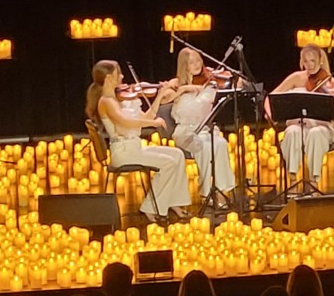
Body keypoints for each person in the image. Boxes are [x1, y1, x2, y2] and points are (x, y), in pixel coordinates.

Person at [88, 59, 190, 222]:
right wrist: (153, 123)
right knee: (169, 164)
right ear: (108, 78)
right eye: (117, 74)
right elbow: (125, 123)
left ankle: (173, 202)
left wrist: (160, 95)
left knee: (177, 154)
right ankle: (150, 207)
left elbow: (145, 116)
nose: (122, 77)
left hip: (134, 148)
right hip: (124, 152)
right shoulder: (106, 102)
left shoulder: (117, 98)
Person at [267, 44, 334, 192]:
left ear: (320, 60)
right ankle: (293, 180)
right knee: (292, 131)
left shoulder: (329, 82)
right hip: (299, 126)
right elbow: (271, 98)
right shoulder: (295, 78)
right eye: (306, 62)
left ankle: (313, 182)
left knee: (315, 133)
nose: (309, 65)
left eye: (313, 61)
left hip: (322, 128)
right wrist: (271, 115)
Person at [169, 47, 236, 203]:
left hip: (205, 129)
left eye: (199, 60)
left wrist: (203, 89)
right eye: (192, 62)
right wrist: (184, 89)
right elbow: (164, 100)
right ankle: (206, 192)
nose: (197, 64)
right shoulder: (176, 84)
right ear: (184, 66)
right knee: (205, 146)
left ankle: (221, 191)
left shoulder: (210, 83)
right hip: (185, 132)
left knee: (219, 143)